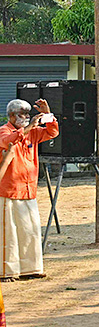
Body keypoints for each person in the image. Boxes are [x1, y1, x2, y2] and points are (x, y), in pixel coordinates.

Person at [0, 98, 58, 281]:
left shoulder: (33, 133)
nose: (26, 117)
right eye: (22, 114)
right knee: (8, 234)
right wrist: (28, 128)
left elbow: (53, 132)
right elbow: (7, 141)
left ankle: (30, 268)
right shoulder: (4, 130)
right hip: (8, 190)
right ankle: (7, 271)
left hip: (28, 189)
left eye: (27, 114)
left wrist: (48, 114)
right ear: (11, 116)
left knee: (30, 231)